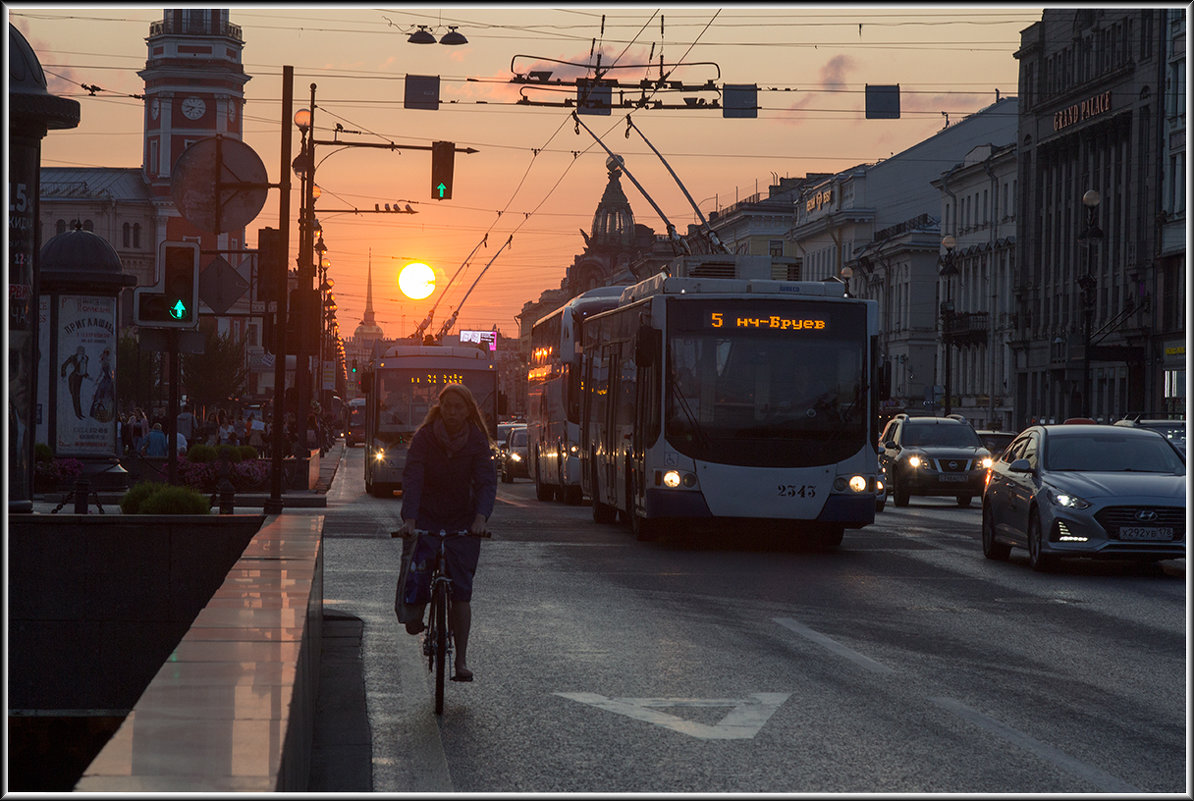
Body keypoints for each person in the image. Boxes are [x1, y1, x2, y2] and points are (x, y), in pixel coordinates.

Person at [398, 383, 496, 683]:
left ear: (468, 411)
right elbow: (413, 479)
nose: (452, 412)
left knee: (461, 593)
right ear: (440, 408)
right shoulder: (425, 439)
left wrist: (480, 519)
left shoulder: (477, 442)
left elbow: (485, 483)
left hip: (463, 523)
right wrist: (410, 520)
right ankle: (414, 614)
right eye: (448, 406)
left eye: (459, 407)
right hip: (427, 517)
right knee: (418, 570)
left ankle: (461, 662)